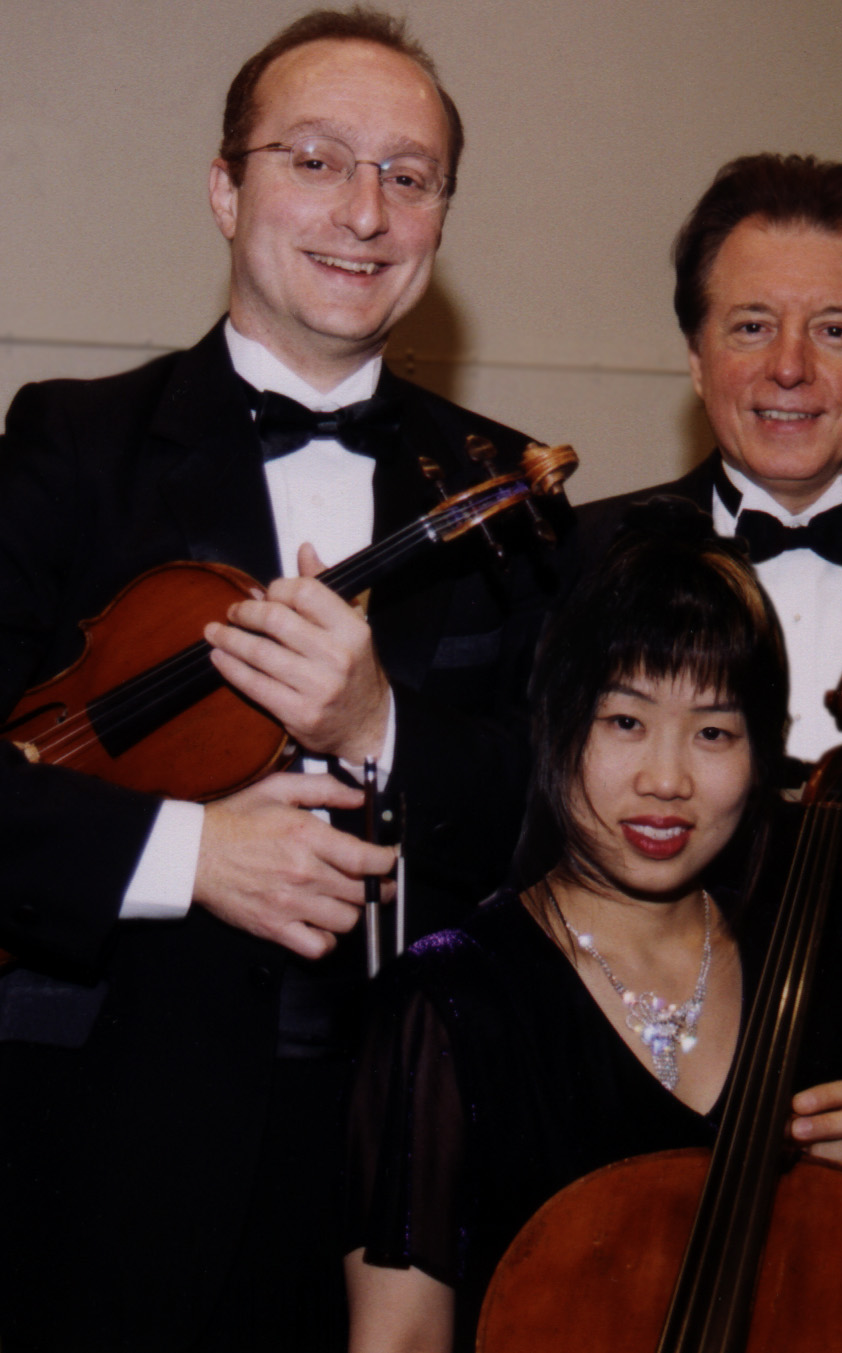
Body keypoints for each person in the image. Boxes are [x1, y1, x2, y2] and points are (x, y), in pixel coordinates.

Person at [0, 9, 570, 1352]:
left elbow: (562, 814)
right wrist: (184, 851)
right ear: (224, 187)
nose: (363, 211)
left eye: (407, 175)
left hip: (414, 1169)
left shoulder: (508, 489)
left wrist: (379, 727)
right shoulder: (67, 447)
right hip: (104, 1149)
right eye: (314, 159)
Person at [343, 497, 842, 1353]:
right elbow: (400, 1339)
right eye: (625, 721)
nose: (665, 778)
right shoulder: (449, 997)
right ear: (559, 728)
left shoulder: (799, 970)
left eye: (714, 731)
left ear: (761, 754)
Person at [580, 153, 842, 768]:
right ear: (698, 360)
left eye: (835, 331)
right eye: (753, 326)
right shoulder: (575, 563)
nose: (788, 367)